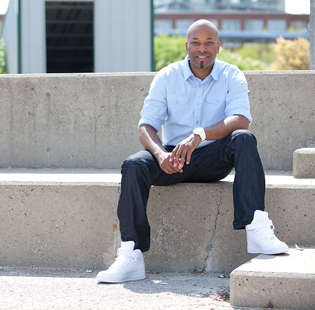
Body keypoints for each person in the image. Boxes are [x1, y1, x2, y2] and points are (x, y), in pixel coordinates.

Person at [95, 20, 289, 283]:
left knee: (243, 138)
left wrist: (200, 135)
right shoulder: (167, 76)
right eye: (196, 42)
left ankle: (256, 227)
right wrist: (160, 153)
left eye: (209, 42)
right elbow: (146, 126)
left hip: (213, 156)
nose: (202, 48)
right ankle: (131, 254)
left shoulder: (232, 75)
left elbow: (241, 118)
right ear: (187, 46)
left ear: (218, 47)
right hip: (173, 159)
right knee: (134, 164)